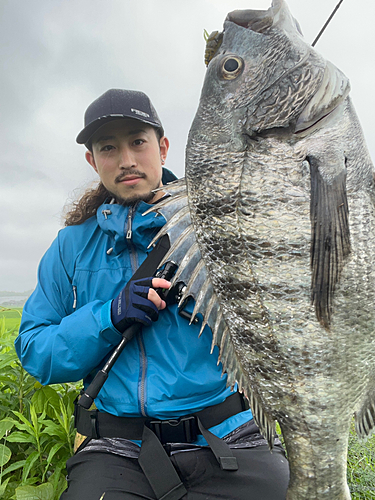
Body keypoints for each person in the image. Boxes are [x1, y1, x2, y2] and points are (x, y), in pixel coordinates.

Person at [15, 89, 289, 499]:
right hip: (117, 448)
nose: (126, 160)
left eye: (138, 142)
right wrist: (107, 317)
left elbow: (282, 311)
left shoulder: (217, 225)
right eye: (109, 147)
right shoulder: (69, 247)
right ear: (93, 161)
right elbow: (35, 351)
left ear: (162, 147)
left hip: (229, 433)